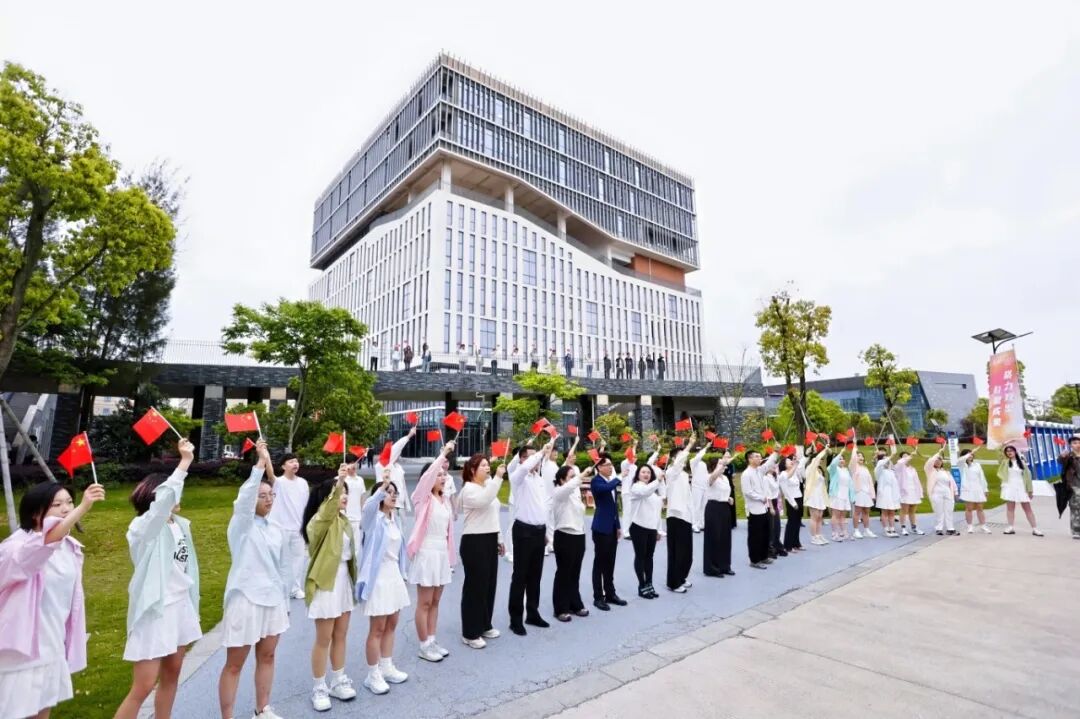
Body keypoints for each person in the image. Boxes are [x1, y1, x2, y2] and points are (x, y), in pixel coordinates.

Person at [0, 479, 105, 719]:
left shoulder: (69, 547)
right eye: (57, 505)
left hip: (52, 645)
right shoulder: (16, 548)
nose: (66, 509)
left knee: (42, 712)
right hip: (20, 653)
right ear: (36, 513)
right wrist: (83, 507)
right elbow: (44, 544)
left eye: (69, 502)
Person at [115, 439, 201, 719]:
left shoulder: (179, 525)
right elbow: (162, 505)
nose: (178, 495)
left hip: (180, 607)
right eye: (172, 492)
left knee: (172, 675)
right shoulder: (143, 528)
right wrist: (184, 462)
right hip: (155, 610)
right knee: (143, 686)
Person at [218, 440, 290, 719]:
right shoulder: (241, 525)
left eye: (271, 495)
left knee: (268, 656)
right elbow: (244, 500)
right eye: (262, 496)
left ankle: (262, 709)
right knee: (235, 664)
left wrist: (285, 602)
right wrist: (260, 464)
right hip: (245, 599)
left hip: (272, 599)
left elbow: (283, 568)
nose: (268, 499)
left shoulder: (275, 528)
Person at [301, 470, 358, 711]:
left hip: (343, 583)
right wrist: (341, 480)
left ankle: (338, 680)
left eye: (346, 492)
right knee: (323, 639)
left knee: (341, 635)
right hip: (326, 584)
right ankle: (319, 687)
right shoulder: (319, 521)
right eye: (339, 492)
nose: (344, 496)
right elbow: (327, 512)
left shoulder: (344, 521)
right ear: (327, 497)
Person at [357, 473, 411, 695]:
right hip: (378, 579)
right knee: (377, 628)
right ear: (379, 496)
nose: (393, 495)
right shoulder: (373, 519)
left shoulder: (394, 520)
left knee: (392, 624)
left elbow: (399, 552)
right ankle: (373, 674)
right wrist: (383, 486)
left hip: (394, 575)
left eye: (394, 492)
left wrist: (403, 574)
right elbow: (369, 506)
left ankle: (386, 666)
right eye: (388, 492)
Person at [407, 442, 457, 663]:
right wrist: (443, 454)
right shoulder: (422, 498)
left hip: (441, 554)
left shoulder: (444, 500)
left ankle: (432, 639)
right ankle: (423, 644)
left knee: (436, 601)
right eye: (439, 475)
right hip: (427, 552)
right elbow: (427, 478)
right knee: (425, 602)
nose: (443, 478)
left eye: (444, 475)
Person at [458, 453, 507, 649]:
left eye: (488, 465)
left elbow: (493, 513)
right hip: (474, 541)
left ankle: (485, 624)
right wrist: (498, 477)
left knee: (488, 585)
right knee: (475, 587)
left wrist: (499, 538)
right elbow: (484, 501)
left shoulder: (487, 485)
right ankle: (470, 632)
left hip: (489, 538)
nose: (488, 468)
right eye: (483, 466)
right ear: (472, 470)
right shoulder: (469, 489)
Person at [508, 440, 554, 635]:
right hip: (523, 531)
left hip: (538, 531)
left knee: (535, 575)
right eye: (531, 457)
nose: (537, 460)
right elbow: (525, 467)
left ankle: (533, 613)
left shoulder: (539, 479)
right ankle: (515, 619)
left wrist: (546, 532)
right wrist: (540, 452)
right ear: (522, 459)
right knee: (520, 576)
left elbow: (542, 507)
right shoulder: (518, 477)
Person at [551, 463, 593, 621]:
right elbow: (569, 487)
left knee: (575, 573)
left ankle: (574, 603)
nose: (575, 479)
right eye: (571, 477)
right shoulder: (559, 492)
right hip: (564, 535)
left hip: (578, 535)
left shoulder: (575, 494)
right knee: (564, 572)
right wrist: (581, 475)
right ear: (562, 480)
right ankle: (560, 608)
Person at [266, 453, 310, 600]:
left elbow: (306, 505)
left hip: (298, 528)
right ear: (283, 466)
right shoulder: (279, 482)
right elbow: (270, 475)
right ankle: (278, 588)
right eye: (291, 461)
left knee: (298, 560)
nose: (295, 464)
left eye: (296, 461)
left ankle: (295, 589)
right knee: (281, 560)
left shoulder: (303, 483)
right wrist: (265, 456)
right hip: (281, 528)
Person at [590, 452, 626, 611]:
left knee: (610, 562)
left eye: (611, 465)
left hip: (611, 527)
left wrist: (617, 526)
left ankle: (610, 593)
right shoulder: (596, 481)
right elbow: (605, 489)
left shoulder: (610, 481)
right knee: (600, 563)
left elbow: (614, 506)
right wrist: (619, 477)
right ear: (599, 467)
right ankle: (598, 597)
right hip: (600, 527)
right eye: (608, 465)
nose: (611, 467)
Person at [628, 455, 665, 597]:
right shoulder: (636, 487)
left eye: (649, 472)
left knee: (649, 557)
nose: (646, 474)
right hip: (638, 527)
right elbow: (644, 492)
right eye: (643, 472)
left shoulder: (653, 492)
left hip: (651, 528)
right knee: (640, 556)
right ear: (638, 474)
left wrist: (658, 530)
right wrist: (658, 481)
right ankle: (641, 585)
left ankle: (649, 584)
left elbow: (657, 512)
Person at [664, 438, 696, 591]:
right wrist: (689, 445)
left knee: (687, 552)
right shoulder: (671, 472)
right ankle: (674, 582)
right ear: (672, 459)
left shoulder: (683, 474)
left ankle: (682, 577)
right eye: (679, 456)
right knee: (677, 551)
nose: (683, 458)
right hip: (675, 516)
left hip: (686, 516)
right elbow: (678, 464)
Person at [740, 448, 778, 569]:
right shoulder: (746, 474)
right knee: (755, 536)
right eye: (756, 456)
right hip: (754, 509)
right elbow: (748, 492)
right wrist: (761, 498)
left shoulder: (759, 471)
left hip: (764, 508)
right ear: (749, 459)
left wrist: (776, 452)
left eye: (760, 456)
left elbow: (769, 464)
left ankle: (764, 556)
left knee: (765, 533)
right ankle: (755, 560)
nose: (759, 458)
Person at [702, 452, 736, 575]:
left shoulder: (725, 478)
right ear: (714, 466)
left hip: (724, 508)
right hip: (713, 508)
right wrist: (721, 466)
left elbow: (723, 492)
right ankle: (712, 568)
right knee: (714, 538)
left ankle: (725, 566)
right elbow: (712, 479)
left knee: (725, 537)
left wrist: (728, 498)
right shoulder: (709, 476)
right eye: (720, 463)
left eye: (723, 464)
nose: (723, 465)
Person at [997, 445, 1043, 536]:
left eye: (1011, 450)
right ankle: (1010, 527)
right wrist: (1003, 446)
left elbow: (1028, 477)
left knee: (1027, 509)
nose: (1009, 452)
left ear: (1015, 452)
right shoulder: (1005, 462)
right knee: (1010, 508)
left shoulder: (1022, 462)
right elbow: (999, 455)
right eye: (1007, 451)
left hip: (1021, 487)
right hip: (1009, 487)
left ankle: (1035, 528)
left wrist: (1030, 490)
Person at [375, 427, 417, 516]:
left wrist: (407, 504)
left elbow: (403, 487)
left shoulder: (398, 468)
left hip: (400, 506)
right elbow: (397, 447)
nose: (398, 453)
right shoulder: (382, 465)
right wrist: (409, 435)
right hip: (389, 506)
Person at [801, 445, 830, 545]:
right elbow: (817, 458)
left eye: (822, 459)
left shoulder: (819, 470)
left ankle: (818, 535)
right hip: (813, 495)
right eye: (820, 459)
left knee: (820, 516)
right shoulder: (810, 468)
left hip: (820, 496)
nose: (821, 460)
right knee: (814, 517)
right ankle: (813, 537)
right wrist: (825, 449)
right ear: (813, 460)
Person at [926, 449, 959, 536]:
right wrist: (938, 452)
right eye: (936, 461)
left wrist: (956, 493)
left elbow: (952, 483)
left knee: (949, 511)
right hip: (936, 494)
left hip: (948, 493)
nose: (938, 462)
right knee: (939, 511)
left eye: (940, 460)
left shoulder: (946, 472)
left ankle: (950, 529)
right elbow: (929, 462)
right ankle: (939, 528)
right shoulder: (930, 471)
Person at [958, 447, 991, 534]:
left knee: (980, 508)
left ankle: (983, 525)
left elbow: (982, 478)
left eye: (971, 454)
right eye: (968, 454)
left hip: (978, 488)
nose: (970, 456)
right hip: (967, 489)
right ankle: (970, 526)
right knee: (969, 508)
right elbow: (961, 459)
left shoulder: (977, 465)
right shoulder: (961, 464)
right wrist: (970, 452)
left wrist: (985, 489)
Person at [827, 442, 856, 541]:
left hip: (845, 496)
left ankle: (844, 532)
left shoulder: (846, 470)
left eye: (843, 459)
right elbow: (833, 464)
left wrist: (852, 497)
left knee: (843, 515)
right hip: (836, 495)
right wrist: (840, 453)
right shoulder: (833, 470)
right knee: (836, 515)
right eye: (840, 459)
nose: (841, 460)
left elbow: (850, 485)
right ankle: (834, 533)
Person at [875, 443, 901, 537]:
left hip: (892, 493)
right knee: (885, 511)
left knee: (892, 511)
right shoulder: (879, 470)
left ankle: (892, 529)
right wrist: (891, 455)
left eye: (888, 461)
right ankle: (886, 530)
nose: (887, 462)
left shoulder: (891, 472)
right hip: (884, 492)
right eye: (885, 460)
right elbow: (881, 463)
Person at [780, 454, 805, 552]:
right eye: (788, 461)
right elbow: (785, 491)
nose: (791, 461)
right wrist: (793, 503)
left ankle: (796, 543)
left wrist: (801, 458)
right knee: (792, 523)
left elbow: (801, 465)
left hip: (799, 497)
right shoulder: (783, 474)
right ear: (784, 464)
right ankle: (788, 546)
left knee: (798, 522)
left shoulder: (794, 472)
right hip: (791, 500)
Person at [896, 452, 924, 536]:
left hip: (913, 492)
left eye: (907, 456)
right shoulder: (899, 467)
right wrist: (910, 455)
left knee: (912, 511)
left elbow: (917, 481)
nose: (907, 458)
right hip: (905, 492)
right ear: (900, 458)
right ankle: (903, 528)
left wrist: (919, 492)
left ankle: (914, 528)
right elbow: (900, 462)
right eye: (904, 456)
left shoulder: (912, 469)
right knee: (904, 510)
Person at [1058, 434, 1080, 539]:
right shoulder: (1068, 456)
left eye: (1079, 442)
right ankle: (1076, 530)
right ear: (1070, 445)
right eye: (1075, 443)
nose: (1078, 445)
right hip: (1074, 486)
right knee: (1075, 508)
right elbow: (1060, 460)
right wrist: (1062, 456)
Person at [342, 461, 367, 553]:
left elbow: (362, 498)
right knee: (344, 546)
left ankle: (354, 562)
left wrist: (363, 515)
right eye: (351, 463)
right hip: (344, 518)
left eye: (355, 463)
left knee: (356, 547)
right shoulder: (341, 479)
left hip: (357, 518)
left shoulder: (360, 480)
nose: (354, 466)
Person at [851, 451, 876, 539]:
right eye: (858, 456)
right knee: (857, 512)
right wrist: (855, 449)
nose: (861, 457)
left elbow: (870, 482)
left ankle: (866, 530)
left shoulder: (865, 468)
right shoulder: (854, 467)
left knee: (866, 512)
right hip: (859, 492)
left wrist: (872, 495)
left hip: (867, 493)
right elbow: (853, 459)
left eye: (862, 456)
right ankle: (856, 531)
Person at [765, 459, 786, 558]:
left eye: (774, 465)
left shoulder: (775, 477)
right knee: (771, 527)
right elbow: (767, 494)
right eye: (771, 465)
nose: (774, 466)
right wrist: (771, 507)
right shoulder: (765, 478)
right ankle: (770, 549)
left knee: (777, 526)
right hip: (770, 503)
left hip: (775, 501)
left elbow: (778, 490)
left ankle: (777, 546)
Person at [689, 445, 709, 533]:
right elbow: (698, 457)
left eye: (699, 451)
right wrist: (706, 447)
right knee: (696, 506)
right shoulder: (693, 461)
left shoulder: (703, 464)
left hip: (705, 487)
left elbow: (706, 475)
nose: (698, 453)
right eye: (696, 451)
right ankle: (694, 525)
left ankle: (702, 524)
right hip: (696, 487)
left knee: (704, 506)